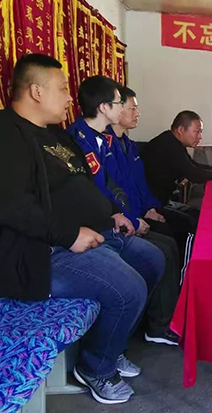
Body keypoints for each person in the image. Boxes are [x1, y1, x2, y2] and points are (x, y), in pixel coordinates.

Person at [0, 54, 165, 404]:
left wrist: (112, 214)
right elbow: (12, 205)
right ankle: (96, 368)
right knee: (129, 288)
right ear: (36, 92)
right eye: (62, 89)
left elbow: (84, 184)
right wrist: (70, 235)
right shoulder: (8, 135)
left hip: (93, 231)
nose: (69, 97)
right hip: (44, 251)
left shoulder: (55, 135)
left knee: (152, 260)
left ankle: (113, 345)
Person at [67, 76, 181, 346]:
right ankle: (150, 325)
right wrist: (132, 220)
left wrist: (143, 212)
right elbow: (96, 193)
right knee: (160, 251)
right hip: (97, 228)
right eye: (122, 104)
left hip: (121, 218)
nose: (129, 110)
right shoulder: (77, 141)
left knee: (166, 246)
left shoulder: (109, 141)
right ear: (104, 107)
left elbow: (125, 186)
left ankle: (157, 320)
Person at [109, 85, 197, 284]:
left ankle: (182, 284)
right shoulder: (105, 145)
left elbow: (140, 183)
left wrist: (149, 208)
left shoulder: (129, 146)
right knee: (169, 242)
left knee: (186, 224)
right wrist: (137, 217)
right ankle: (178, 289)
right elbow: (114, 191)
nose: (137, 114)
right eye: (133, 108)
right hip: (125, 219)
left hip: (146, 207)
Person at [141, 110, 212, 219]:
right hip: (152, 205)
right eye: (197, 132)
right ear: (181, 130)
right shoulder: (169, 145)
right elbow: (194, 175)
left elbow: (193, 165)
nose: (200, 137)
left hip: (164, 201)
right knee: (196, 220)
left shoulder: (172, 141)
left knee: (199, 214)